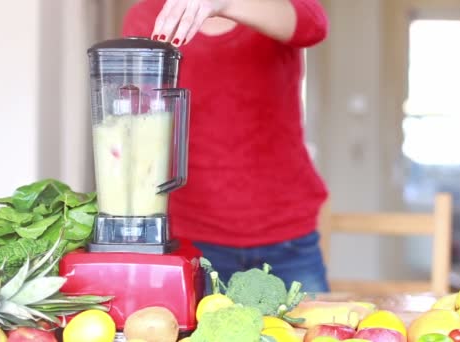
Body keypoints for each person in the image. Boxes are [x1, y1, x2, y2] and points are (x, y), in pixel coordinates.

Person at [122, 0, 331, 293]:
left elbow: (314, 25)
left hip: (288, 236)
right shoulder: (147, 15)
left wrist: (222, 3)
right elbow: (138, 128)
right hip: (190, 236)